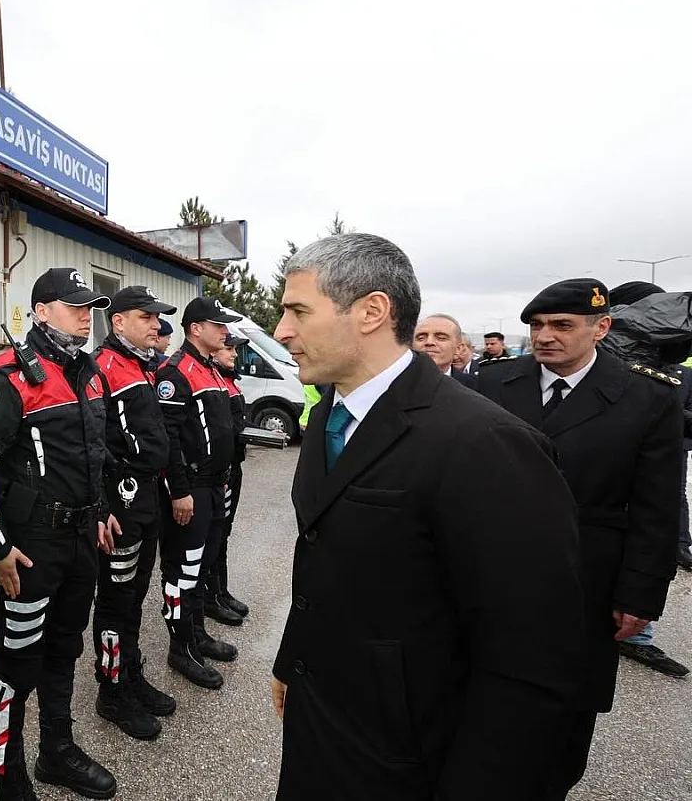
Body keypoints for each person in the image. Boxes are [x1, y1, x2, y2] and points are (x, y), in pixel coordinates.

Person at [271, 234, 584, 800]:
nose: (281, 331)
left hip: (412, 754)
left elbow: (532, 657)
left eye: (298, 311)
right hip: (325, 722)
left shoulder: (485, 442)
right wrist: (293, 659)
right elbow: (323, 556)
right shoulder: (330, 416)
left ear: (372, 311)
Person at [476, 278, 683, 798]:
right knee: (484, 692)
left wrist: (640, 594)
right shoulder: (493, 384)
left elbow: (656, 507)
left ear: (601, 327)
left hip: (586, 576)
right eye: (537, 325)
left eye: (562, 325)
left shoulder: (647, 396)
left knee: (567, 707)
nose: (545, 336)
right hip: (494, 568)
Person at [0, 267, 118, 800]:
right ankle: (6, 772)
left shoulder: (89, 371)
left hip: (80, 540)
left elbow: (94, 454)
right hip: (29, 546)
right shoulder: (6, 378)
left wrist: (101, 509)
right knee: (17, 659)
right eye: (74, 306)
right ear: (40, 311)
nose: (86, 316)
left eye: (89, 307)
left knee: (64, 649)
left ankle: (56, 751)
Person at [583, 280, 690, 679]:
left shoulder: (658, 358)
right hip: (613, 475)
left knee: (647, 540)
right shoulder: (611, 352)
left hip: (650, 468)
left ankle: (634, 628)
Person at [89, 286, 179, 742]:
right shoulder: (101, 367)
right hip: (120, 500)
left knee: (136, 595)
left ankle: (131, 674)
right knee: (115, 600)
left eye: (157, 318)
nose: (156, 325)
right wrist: (103, 505)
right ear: (119, 321)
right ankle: (111, 691)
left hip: (148, 495)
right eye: (147, 317)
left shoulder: (144, 364)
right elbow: (93, 442)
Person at [156, 296, 241, 690]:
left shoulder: (210, 369)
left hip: (214, 485)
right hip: (191, 489)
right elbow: (169, 439)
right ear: (195, 328)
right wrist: (179, 491)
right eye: (218, 324)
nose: (225, 331)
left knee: (203, 567)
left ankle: (198, 635)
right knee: (182, 572)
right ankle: (181, 648)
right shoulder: (176, 372)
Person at [207, 336, 251, 624]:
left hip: (234, 468)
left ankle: (221, 591)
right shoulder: (215, 382)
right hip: (221, 471)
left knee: (224, 532)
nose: (234, 353)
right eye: (229, 348)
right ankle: (211, 597)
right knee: (215, 534)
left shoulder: (229, 380)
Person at [413, 313, 477, 388]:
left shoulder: (477, 386)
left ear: (458, 348)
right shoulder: (400, 381)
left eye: (441, 338)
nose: (429, 342)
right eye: (421, 338)